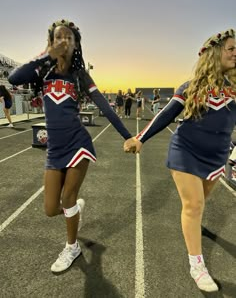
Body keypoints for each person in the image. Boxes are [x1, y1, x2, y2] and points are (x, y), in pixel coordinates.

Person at [8, 19, 132, 273]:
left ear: (76, 45)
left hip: (78, 143)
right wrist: (45, 56)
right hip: (54, 149)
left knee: (68, 197)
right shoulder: (42, 72)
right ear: (51, 42)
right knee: (51, 209)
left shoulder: (80, 76)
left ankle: (72, 247)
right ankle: (75, 209)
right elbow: (14, 77)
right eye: (58, 37)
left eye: (68, 38)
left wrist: (128, 136)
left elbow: (105, 106)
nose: (63, 41)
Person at [124, 28, 236, 292]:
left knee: (199, 203)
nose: (235, 53)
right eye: (231, 48)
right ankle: (196, 265)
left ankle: (193, 223)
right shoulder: (191, 87)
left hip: (217, 155)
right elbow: (165, 115)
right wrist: (141, 137)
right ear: (215, 52)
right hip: (185, 149)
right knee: (194, 204)